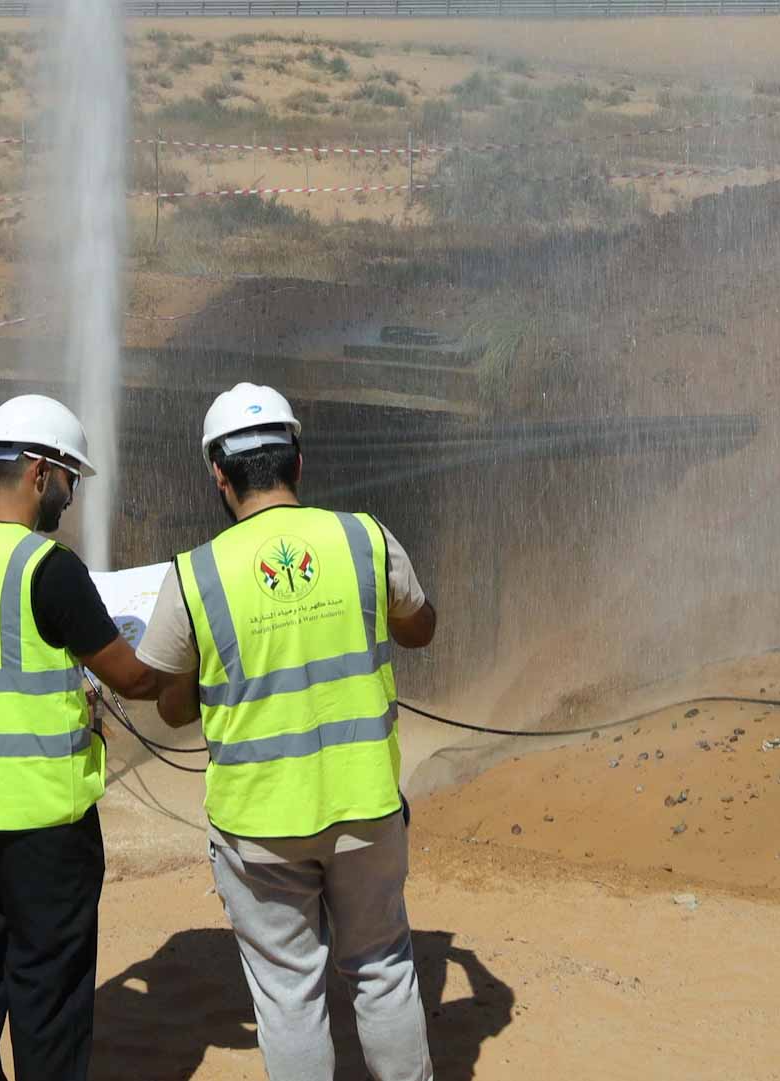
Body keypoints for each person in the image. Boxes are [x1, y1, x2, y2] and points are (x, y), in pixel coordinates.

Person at [134, 383, 439, 1081]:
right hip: (364, 805)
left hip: (259, 823)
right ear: (297, 460)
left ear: (218, 473)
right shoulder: (363, 536)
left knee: (288, 996)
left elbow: (173, 709)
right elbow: (421, 627)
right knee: (384, 967)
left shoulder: (194, 574)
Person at [0, 393, 160, 1081]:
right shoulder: (49, 569)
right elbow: (131, 676)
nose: (70, 498)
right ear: (40, 473)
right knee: (48, 999)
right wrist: (178, 668)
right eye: (70, 480)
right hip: (48, 827)